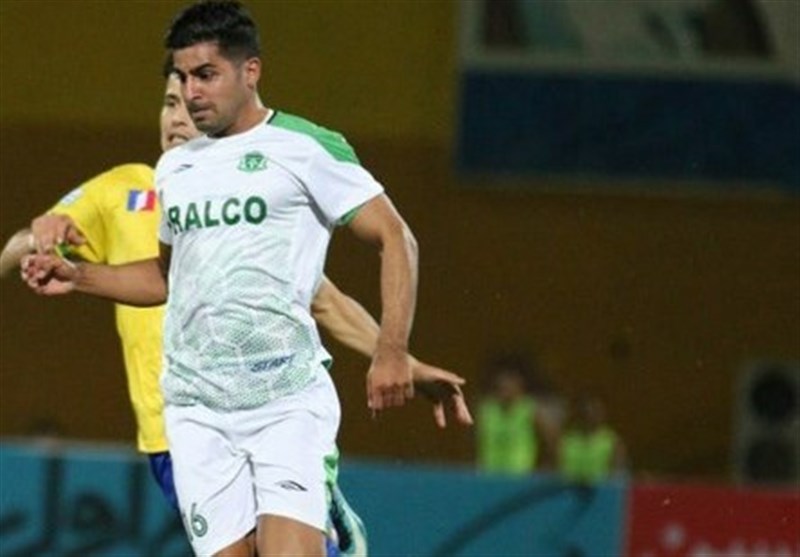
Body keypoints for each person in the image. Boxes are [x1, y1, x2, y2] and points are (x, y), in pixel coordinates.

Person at [13, 6, 471, 551]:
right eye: (180, 81)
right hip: (193, 414)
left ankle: (326, 524)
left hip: (283, 403)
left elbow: (392, 241)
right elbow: (168, 277)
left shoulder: (303, 146)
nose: (189, 95)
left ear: (250, 71)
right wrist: (79, 275)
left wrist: (396, 353)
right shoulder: (174, 172)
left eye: (205, 75)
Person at [476, 353, 559, 475]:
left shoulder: (530, 409)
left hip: (521, 475)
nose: (505, 387)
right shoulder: (487, 410)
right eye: (501, 384)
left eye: (509, 383)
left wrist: (546, 466)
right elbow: (475, 442)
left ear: (519, 385)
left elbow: (551, 441)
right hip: (490, 474)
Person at [558, 393, 626, 485]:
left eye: (594, 411)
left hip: (600, 489)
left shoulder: (612, 441)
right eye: (586, 411)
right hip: (569, 488)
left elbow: (617, 473)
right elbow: (556, 469)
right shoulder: (566, 439)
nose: (590, 415)